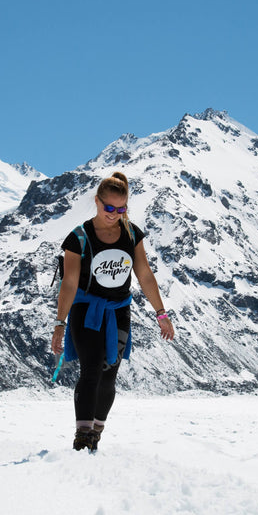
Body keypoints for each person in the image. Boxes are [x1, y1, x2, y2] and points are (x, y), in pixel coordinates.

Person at [50, 171, 175, 452]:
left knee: (109, 374)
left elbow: (144, 274)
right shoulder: (78, 238)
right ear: (97, 202)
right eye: (109, 208)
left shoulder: (131, 234)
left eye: (121, 209)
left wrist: (161, 314)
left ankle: (95, 431)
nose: (114, 214)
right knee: (91, 369)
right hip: (86, 310)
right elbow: (69, 283)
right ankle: (82, 436)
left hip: (119, 311)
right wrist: (60, 323)